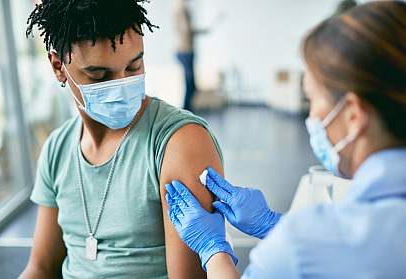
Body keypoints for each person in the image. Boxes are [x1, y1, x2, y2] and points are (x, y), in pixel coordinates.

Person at [165, 1, 406, 278]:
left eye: (313, 98)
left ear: (353, 115)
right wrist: (271, 224)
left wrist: (212, 249)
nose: (312, 115)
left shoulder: (300, 247)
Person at [19, 0, 225, 278]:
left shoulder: (178, 143)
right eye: (99, 75)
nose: (120, 87)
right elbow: (40, 268)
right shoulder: (57, 149)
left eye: (133, 67)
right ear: (58, 67)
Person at [174, 0, 209, 112]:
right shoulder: (181, 9)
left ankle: (188, 111)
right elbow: (186, 30)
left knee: (191, 85)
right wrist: (202, 31)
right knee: (190, 85)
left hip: (185, 51)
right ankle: (186, 112)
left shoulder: (181, 9)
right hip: (185, 51)